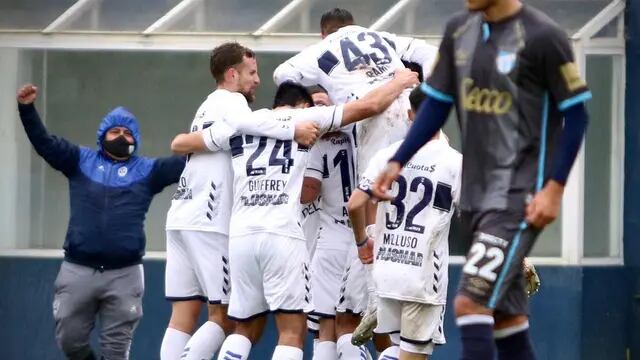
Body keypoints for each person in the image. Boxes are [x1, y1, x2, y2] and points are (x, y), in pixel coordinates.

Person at [373, 0, 591, 358]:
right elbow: (438, 104)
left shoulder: (544, 37)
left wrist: (554, 188)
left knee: (470, 305)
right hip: (475, 198)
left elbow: (576, 114)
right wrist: (399, 160)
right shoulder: (459, 31)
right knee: (508, 321)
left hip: (517, 198)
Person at [170, 69, 419, 360]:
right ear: (303, 106)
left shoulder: (242, 122)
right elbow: (368, 107)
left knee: (243, 328)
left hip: (240, 236)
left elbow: (181, 143)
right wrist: (400, 81)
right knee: (292, 331)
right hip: (283, 234)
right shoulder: (306, 119)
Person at [161, 42, 317, 360]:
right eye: (251, 72)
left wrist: (181, 141)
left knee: (184, 313)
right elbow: (252, 123)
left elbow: (182, 142)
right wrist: (295, 129)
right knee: (223, 318)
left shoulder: (207, 105)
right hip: (211, 219)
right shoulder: (234, 104)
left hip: (181, 216)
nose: (257, 80)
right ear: (232, 74)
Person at [16, 84, 185, 360]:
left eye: (127, 133)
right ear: (102, 135)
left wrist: (217, 140)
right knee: (70, 341)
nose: (121, 136)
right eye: (115, 131)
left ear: (136, 139)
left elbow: (187, 163)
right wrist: (27, 109)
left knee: (116, 351)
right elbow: (44, 143)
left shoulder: (148, 170)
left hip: (125, 274)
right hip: (78, 268)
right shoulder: (79, 160)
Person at [347, 87, 462, 360]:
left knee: (399, 350)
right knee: (412, 354)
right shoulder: (454, 162)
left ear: (410, 115)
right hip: (422, 278)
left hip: (387, 272)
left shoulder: (387, 156)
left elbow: (354, 204)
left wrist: (363, 242)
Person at [273, 8, 438, 174]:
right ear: (353, 25)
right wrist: (426, 93)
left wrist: (312, 114)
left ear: (323, 34)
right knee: (430, 176)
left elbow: (282, 74)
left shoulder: (319, 49)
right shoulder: (378, 36)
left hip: (371, 114)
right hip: (413, 105)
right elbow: (431, 52)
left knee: (375, 189)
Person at [300, 89, 357, 359]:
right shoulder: (361, 140)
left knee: (327, 328)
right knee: (354, 327)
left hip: (330, 241)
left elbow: (307, 193)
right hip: (362, 240)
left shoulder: (318, 146)